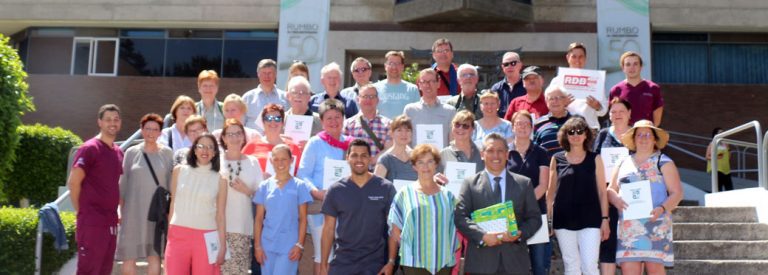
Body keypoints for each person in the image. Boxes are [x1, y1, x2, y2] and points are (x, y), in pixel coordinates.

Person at [454, 133, 542, 274]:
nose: (496, 155)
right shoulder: (470, 183)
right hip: (481, 263)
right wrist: (482, 236)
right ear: (482, 154)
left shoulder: (524, 183)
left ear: (507, 154)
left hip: (515, 263)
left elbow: (535, 218)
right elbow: (460, 217)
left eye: (500, 151)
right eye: (490, 150)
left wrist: (519, 234)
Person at [609, 120, 683, 274]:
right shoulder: (622, 162)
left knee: (655, 270)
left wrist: (662, 208)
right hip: (628, 226)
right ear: (634, 139)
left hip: (656, 223)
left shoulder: (664, 161)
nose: (643, 138)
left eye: (648, 134)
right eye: (639, 134)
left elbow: (677, 193)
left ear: (655, 139)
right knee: (628, 270)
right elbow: (610, 190)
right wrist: (615, 199)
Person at [320, 139, 396, 275]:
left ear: (370, 159)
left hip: (375, 264)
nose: (359, 159)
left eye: (364, 155)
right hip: (343, 263)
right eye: (354, 155)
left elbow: (393, 228)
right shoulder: (336, 190)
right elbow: (328, 230)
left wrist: (391, 261)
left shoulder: (385, 188)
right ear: (347, 158)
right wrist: (323, 264)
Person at [546, 117, 609, 275]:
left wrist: (605, 219)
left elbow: (603, 192)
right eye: (571, 132)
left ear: (586, 134)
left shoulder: (595, 158)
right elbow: (550, 192)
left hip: (591, 219)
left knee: (589, 266)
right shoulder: (557, 159)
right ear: (565, 135)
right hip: (563, 220)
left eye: (580, 131)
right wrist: (549, 220)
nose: (575, 135)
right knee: (571, 266)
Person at [296, 98, 351, 274]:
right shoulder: (315, 143)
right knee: (323, 255)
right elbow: (303, 174)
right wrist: (317, 193)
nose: (334, 122)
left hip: (346, 210)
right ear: (321, 121)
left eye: (337, 117)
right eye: (329, 118)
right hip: (321, 207)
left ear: (343, 118)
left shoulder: (351, 144)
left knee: (342, 255)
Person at [385, 144, 459, 275]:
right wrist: (407, 250)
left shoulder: (448, 196)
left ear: (436, 164)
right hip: (414, 264)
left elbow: (456, 226)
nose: (425, 166)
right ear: (414, 166)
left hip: (443, 261)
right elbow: (395, 230)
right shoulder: (404, 194)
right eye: (420, 162)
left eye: (430, 161)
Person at [68, 104, 124, 275]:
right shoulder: (89, 148)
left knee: (104, 270)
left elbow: (116, 185)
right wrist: (83, 213)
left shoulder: (118, 152)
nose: (112, 123)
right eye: (108, 119)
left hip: (111, 222)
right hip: (92, 223)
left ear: (120, 122)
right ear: (99, 122)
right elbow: (73, 183)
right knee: (89, 270)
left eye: (116, 119)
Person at [117, 113, 174, 275]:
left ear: (160, 132)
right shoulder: (131, 152)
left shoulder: (167, 153)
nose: (151, 132)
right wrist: (120, 210)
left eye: (155, 129)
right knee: (129, 256)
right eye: (147, 128)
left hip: (157, 214)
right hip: (133, 212)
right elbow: (123, 183)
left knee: (154, 255)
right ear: (141, 130)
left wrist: (170, 213)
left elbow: (171, 185)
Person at [165, 134, 227, 274]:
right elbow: (173, 203)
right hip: (178, 234)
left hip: (206, 236)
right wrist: (170, 232)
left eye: (210, 147)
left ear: (215, 153)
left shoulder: (220, 179)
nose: (205, 150)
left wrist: (222, 246)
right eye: (201, 146)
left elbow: (221, 215)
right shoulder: (179, 171)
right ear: (194, 149)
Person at [253, 145, 313, 275]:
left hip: (289, 245)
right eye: (276, 159)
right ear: (271, 161)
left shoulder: (300, 186)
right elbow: (258, 219)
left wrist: (299, 244)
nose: (280, 163)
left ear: (291, 160)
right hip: (267, 244)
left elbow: (303, 219)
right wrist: (257, 246)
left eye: (284, 159)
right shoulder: (264, 186)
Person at [506, 110, 551, 275]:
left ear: (532, 128)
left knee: (539, 264)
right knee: (513, 264)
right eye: (519, 123)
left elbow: (543, 185)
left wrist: (525, 204)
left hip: (536, 213)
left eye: (526, 124)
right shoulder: (505, 152)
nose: (523, 127)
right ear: (512, 127)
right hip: (511, 214)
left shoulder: (541, 152)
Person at [593, 97, 632, 275]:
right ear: (608, 115)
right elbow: (594, 162)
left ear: (629, 113)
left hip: (631, 196)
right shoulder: (603, 135)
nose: (617, 115)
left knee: (632, 243)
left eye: (621, 111)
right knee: (607, 242)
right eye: (613, 112)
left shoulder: (637, 134)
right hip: (606, 195)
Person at [219, 119, 263, 274]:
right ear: (223, 138)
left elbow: (262, 196)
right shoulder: (215, 161)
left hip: (242, 227)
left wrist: (247, 190)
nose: (235, 138)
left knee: (239, 270)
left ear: (243, 137)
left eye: (238, 133)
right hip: (218, 227)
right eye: (230, 134)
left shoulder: (253, 162)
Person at [550, 42, 607, 131]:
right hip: (565, 129)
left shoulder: (595, 80)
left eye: (581, 57)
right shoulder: (557, 81)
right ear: (568, 58)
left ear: (585, 58)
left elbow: (604, 110)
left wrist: (597, 106)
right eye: (574, 56)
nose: (577, 60)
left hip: (590, 129)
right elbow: (549, 106)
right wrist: (562, 104)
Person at [242, 103, 303, 176]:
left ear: (282, 123)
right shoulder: (252, 146)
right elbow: (240, 169)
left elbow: (301, 174)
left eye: (277, 118)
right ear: (263, 122)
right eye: (269, 118)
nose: (273, 122)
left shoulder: (293, 147)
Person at [404, 68, 457, 149]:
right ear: (419, 85)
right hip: (416, 157)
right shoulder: (410, 110)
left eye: (431, 81)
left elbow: (452, 142)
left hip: (441, 157)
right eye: (424, 82)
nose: (428, 85)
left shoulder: (450, 111)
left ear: (438, 83)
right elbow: (405, 140)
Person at [609, 51, 663, 126]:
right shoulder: (615, 90)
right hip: (624, 133)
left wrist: (648, 131)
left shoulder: (653, 88)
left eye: (635, 64)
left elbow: (657, 118)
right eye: (628, 64)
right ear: (623, 68)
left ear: (641, 67)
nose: (632, 67)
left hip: (645, 132)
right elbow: (613, 116)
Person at [343, 84, 392, 166]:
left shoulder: (388, 124)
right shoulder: (348, 124)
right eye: (365, 96)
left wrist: (372, 161)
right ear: (358, 99)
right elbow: (344, 151)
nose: (368, 100)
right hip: (354, 170)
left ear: (377, 100)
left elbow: (389, 149)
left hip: (378, 171)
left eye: (372, 96)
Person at [243, 59, 289, 133]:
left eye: (270, 73)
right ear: (258, 74)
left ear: (276, 74)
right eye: (264, 73)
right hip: (253, 140)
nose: (267, 76)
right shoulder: (247, 98)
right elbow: (241, 125)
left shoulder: (285, 98)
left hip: (277, 140)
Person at [375, 50, 421, 119]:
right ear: (385, 66)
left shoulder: (413, 89)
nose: (394, 67)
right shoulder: (374, 88)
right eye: (391, 63)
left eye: (397, 63)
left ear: (402, 67)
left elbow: (418, 115)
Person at [374, 115, 418, 182]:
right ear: (391, 133)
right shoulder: (385, 159)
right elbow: (376, 185)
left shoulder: (416, 157)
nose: (404, 134)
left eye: (407, 130)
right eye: (399, 130)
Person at [533, 84, 571, 157]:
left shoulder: (576, 121)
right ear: (546, 101)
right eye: (551, 98)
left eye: (558, 98)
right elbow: (534, 149)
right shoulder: (538, 123)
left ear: (566, 100)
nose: (555, 101)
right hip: (546, 163)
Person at [491, 51, 527, 118]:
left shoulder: (528, 85)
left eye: (513, 63)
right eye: (506, 64)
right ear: (502, 67)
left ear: (520, 65)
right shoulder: (496, 88)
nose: (509, 66)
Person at [706, 127, 734, 191]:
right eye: (720, 133)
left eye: (723, 132)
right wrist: (716, 157)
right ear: (715, 135)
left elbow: (728, 158)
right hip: (717, 169)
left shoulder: (725, 144)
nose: (722, 134)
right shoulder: (712, 144)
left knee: (729, 188)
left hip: (726, 169)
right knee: (719, 188)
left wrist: (728, 148)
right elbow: (707, 156)